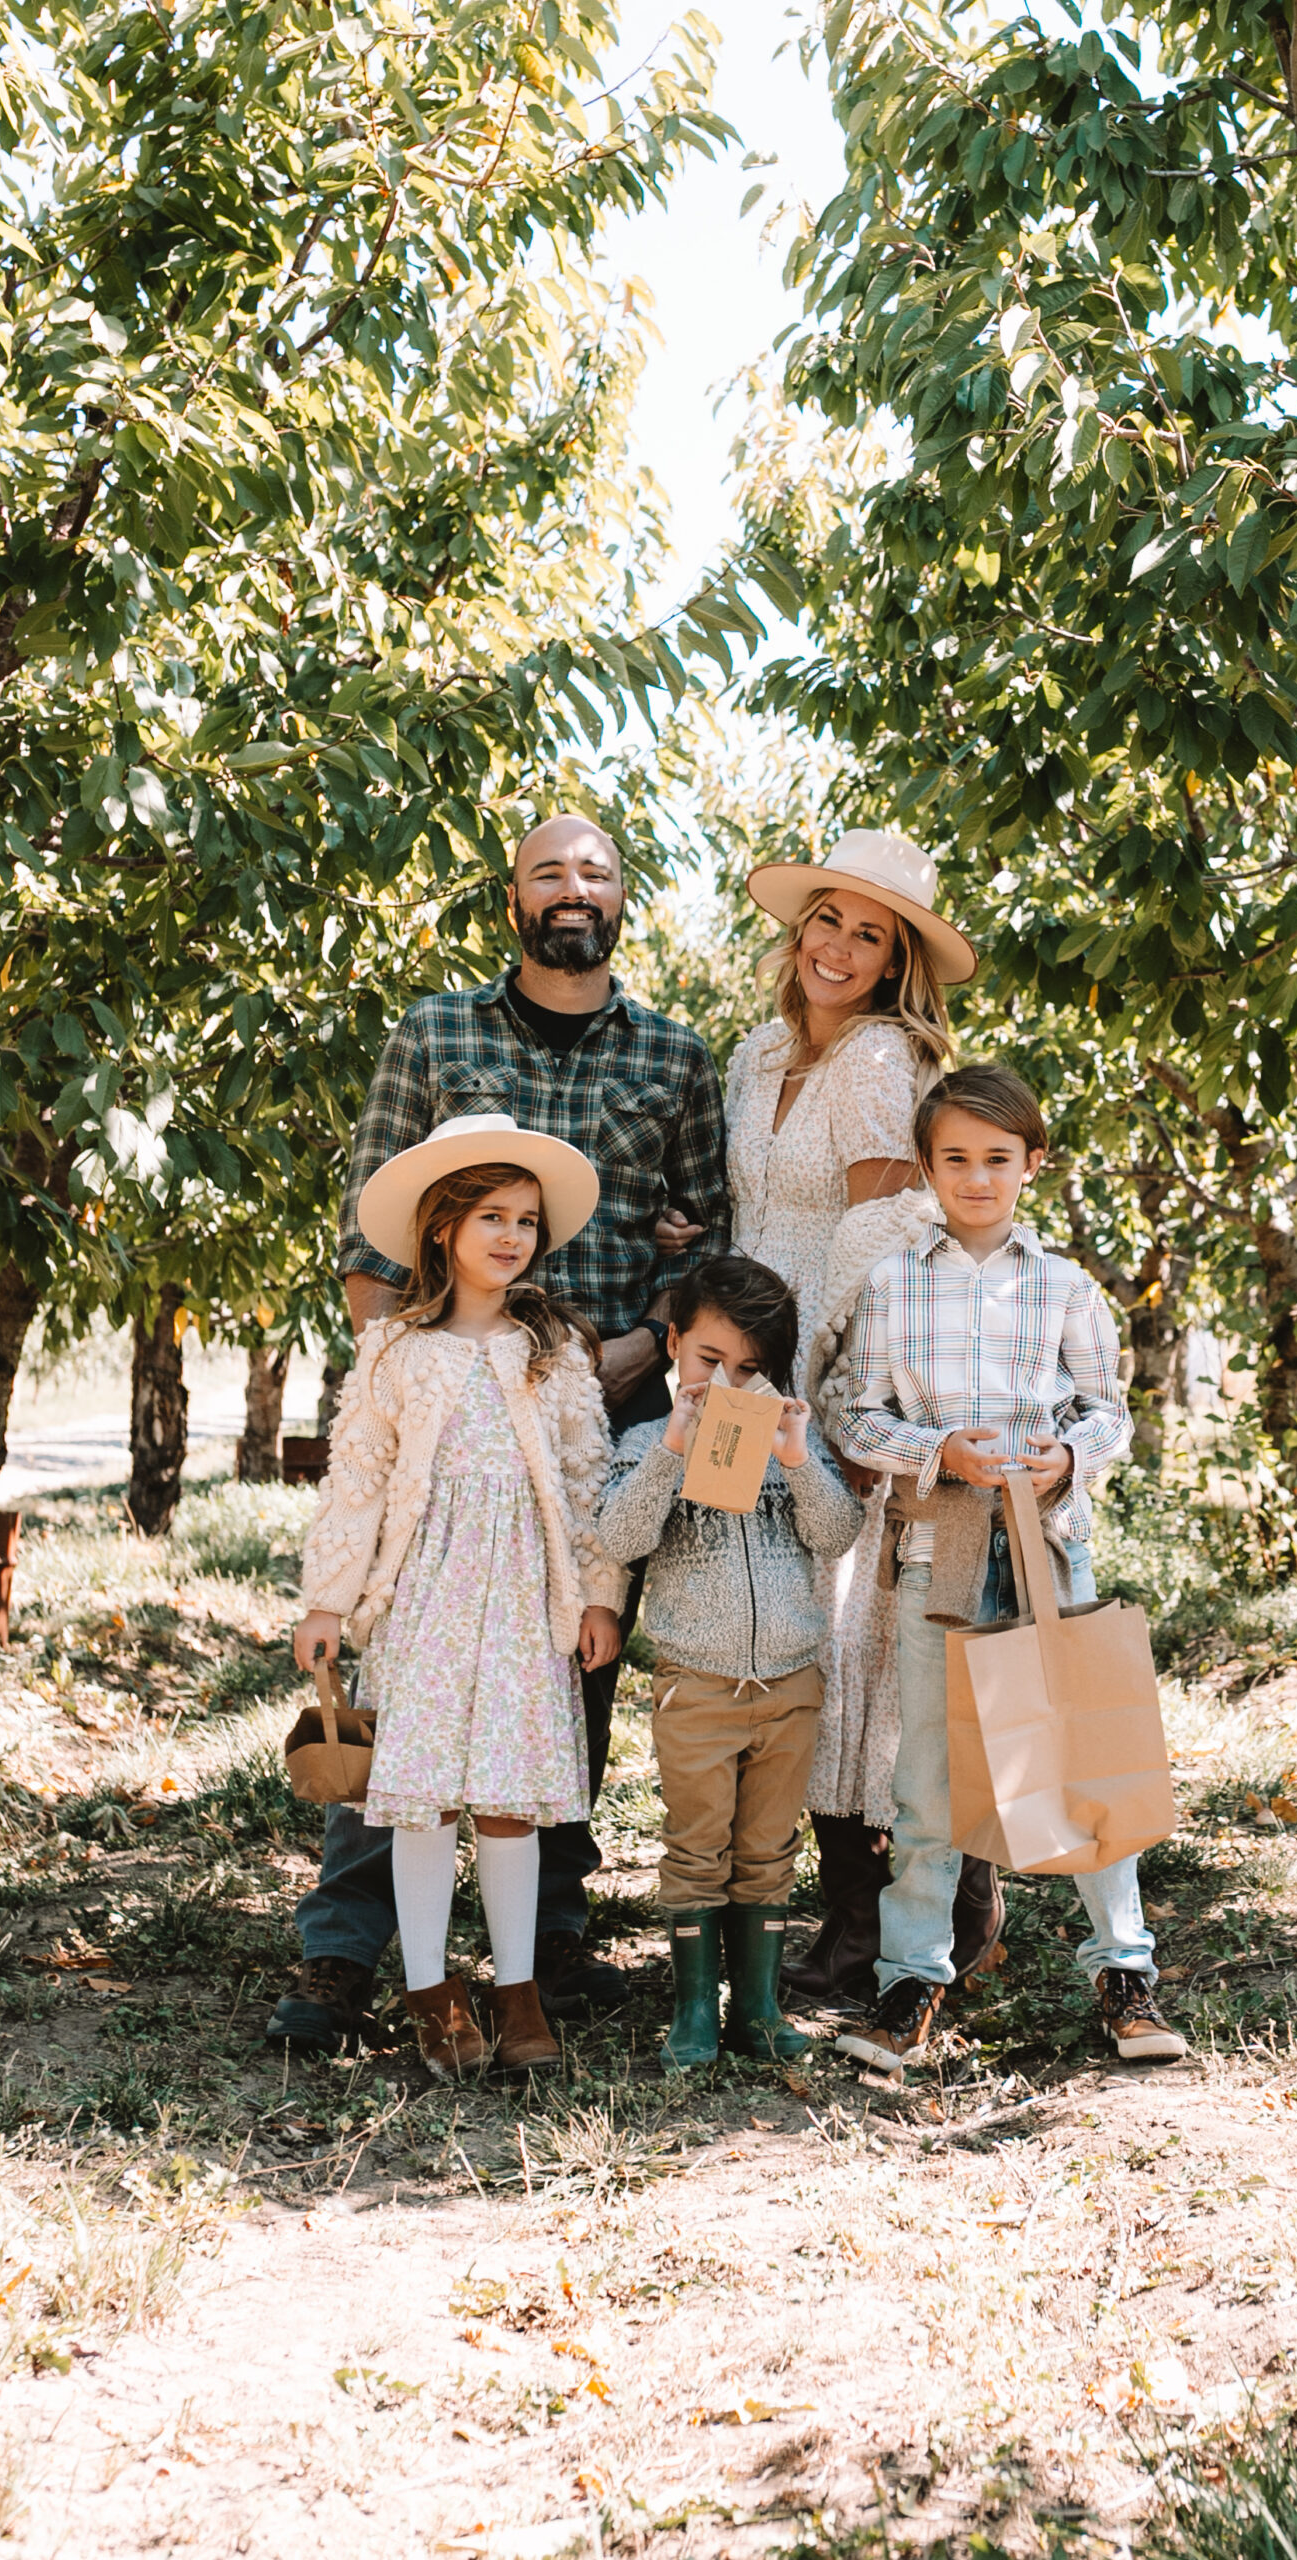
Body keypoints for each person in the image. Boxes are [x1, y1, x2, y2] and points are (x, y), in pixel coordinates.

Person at [270, 812, 730, 2057]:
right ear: (513, 897)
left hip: (597, 1398)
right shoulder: (437, 1033)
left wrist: (629, 1349)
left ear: (624, 898)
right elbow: (375, 1246)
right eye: (547, 871)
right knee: (404, 1708)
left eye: (596, 869)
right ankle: (349, 1951)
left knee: (556, 1695)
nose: (572, 888)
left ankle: (546, 1947)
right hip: (436, 1405)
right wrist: (406, 1358)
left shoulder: (677, 1060)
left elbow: (711, 1236)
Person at [660, 829, 1001, 2008]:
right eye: (828, 921)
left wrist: (814, 1381)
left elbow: (872, 1236)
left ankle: (904, 1911)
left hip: (819, 1348)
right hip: (746, 1334)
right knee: (778, 1597)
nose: (840, 948)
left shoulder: (878, 1059)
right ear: (795, 928)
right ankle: (820, 1892)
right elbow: (754, 1197)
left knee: (846, 1617)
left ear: (898, 957)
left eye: (871, 934)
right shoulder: (758, 1054)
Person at [829, 1063, 1187, 2073]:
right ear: (928, 1168)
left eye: (997, 1158)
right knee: (930, 1779)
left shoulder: (1065, 1285)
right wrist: (937, 1450)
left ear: (1033, 1162)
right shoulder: (894, 1282)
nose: (976, 1178)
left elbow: (1106, 1408)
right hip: (940, 1546)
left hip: (1044, 1547)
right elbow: (857, 1412)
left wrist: (1071, 1457)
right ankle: (912, 1983)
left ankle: (1126, 1974)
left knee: (1076, 1749)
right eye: (955, 1159)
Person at [293, 1116, 626, 2078]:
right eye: (490, 1215)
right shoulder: (397, 1349)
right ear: (444, 1227)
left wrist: (598, 1595)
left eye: (526, 1219)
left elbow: (585, 1477)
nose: (511, 1235)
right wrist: (328, 1599)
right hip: (429, 1595)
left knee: (511, 1803)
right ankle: (432, 1990)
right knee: (423, 1801)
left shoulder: (551, 1350)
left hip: (526, 1596)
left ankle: (518, 1989)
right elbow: (356, 1475)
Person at [595, 1256, 864, 2070]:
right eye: (710, 1360)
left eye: (748, 1369)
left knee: (768, 1846)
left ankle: (756, 2007)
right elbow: (619, 1537)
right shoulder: (645, 1442)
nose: (725, 1379)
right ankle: (691, 2014)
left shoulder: (798, 1444)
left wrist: (795, 1456)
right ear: (675, 1344)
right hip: (697, 1683)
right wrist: (673, 1448)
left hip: (790, 1680)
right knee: (696, 1845)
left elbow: (837, 1533)